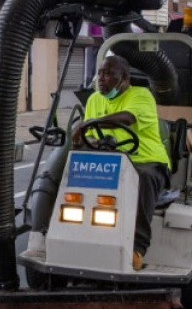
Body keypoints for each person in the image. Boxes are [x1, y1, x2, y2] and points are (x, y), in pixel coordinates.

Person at [71, 55, 170, 271]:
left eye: (109, 74)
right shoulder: (95, 100)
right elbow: (91, 134)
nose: (102, 78)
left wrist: (89, 122)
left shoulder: (141, 95)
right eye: (100, 74)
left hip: (146, 160)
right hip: (111, 161)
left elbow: (126, 118)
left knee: (141, 180)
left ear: (124, 78)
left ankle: (138, 247)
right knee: (73, 176)